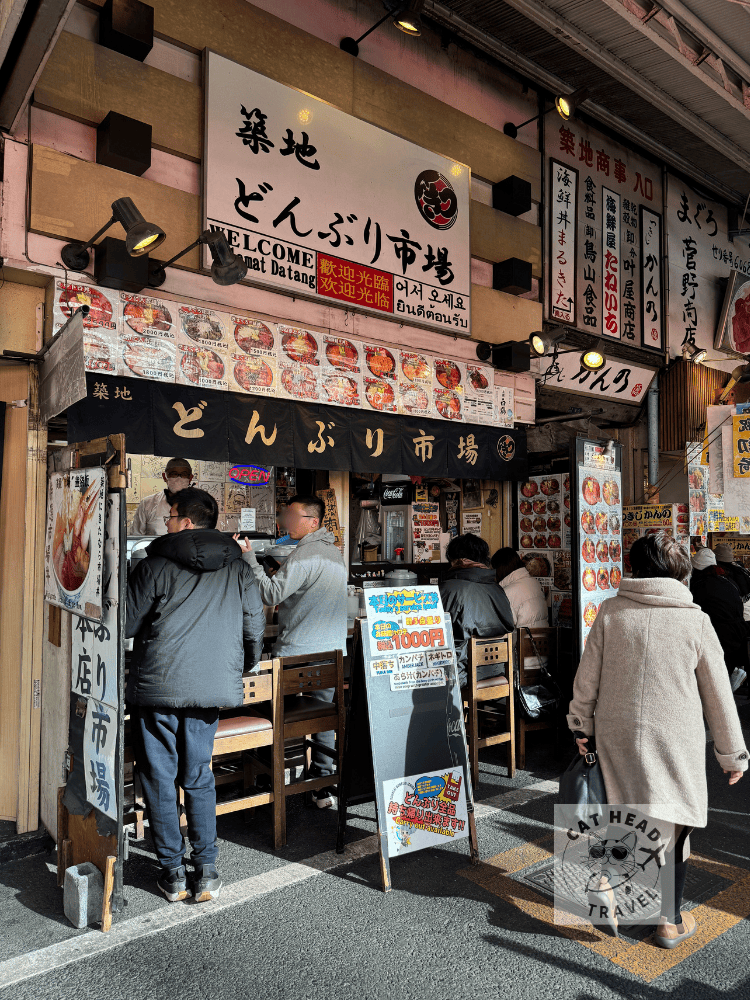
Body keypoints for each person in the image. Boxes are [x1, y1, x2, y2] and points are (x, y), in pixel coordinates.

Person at [569, 532, 748, 948]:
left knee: (620, 813)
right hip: (675, 739)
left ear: (634, 567)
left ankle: (606, 883)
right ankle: (669, 922)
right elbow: (718, 695)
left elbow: (587, 679)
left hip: (616, 734)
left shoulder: (611, 613)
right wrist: (731, 754)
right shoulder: (695, 620)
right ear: (682, 571)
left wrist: (582, 727)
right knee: (676, 827)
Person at [126, 487, 265, 903]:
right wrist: (240, 666)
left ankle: (172, 871)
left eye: (170, 515)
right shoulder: (238, 567)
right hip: (209, 690)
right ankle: (206, 869)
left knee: (158, 778)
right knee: (199, 776)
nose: (165, 522)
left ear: (186, 522)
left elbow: (127, 625)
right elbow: (253, 626)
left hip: (159, 688)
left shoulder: (154, 564)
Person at [235, 495, 347, 809]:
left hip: (298, 653)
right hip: (332, 653)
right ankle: (322, 783)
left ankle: (267, 777)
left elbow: (269, 594)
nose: (286, 521)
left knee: (273, 710)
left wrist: (249, 559)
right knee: (325, 714)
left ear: (313, 521)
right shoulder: (334, 553)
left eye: (292, 515)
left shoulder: (306, 553)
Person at [439, 533, 514, 687]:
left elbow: (436, 631)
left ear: (455, 560)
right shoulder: (498, 589)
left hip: (463, 674)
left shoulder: (450, 589)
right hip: (500, 670)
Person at [690, 547, 749, 692]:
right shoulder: (727, 580)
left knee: (713, 680)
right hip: (738, 634)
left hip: (719, 636)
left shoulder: (699, 585)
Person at [130, 457, 194, 535]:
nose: (178, 478)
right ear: (164, 477)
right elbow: (136, 537)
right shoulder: (147, 504)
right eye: (173, 474)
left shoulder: (199, 505)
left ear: (190, 478)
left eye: (184, 475)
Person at [490, 547, 548, 628]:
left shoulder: (506, 592)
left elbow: (505, 626)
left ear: (500, 569)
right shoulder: (536, 583)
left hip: (523, 639)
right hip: (543, 638)